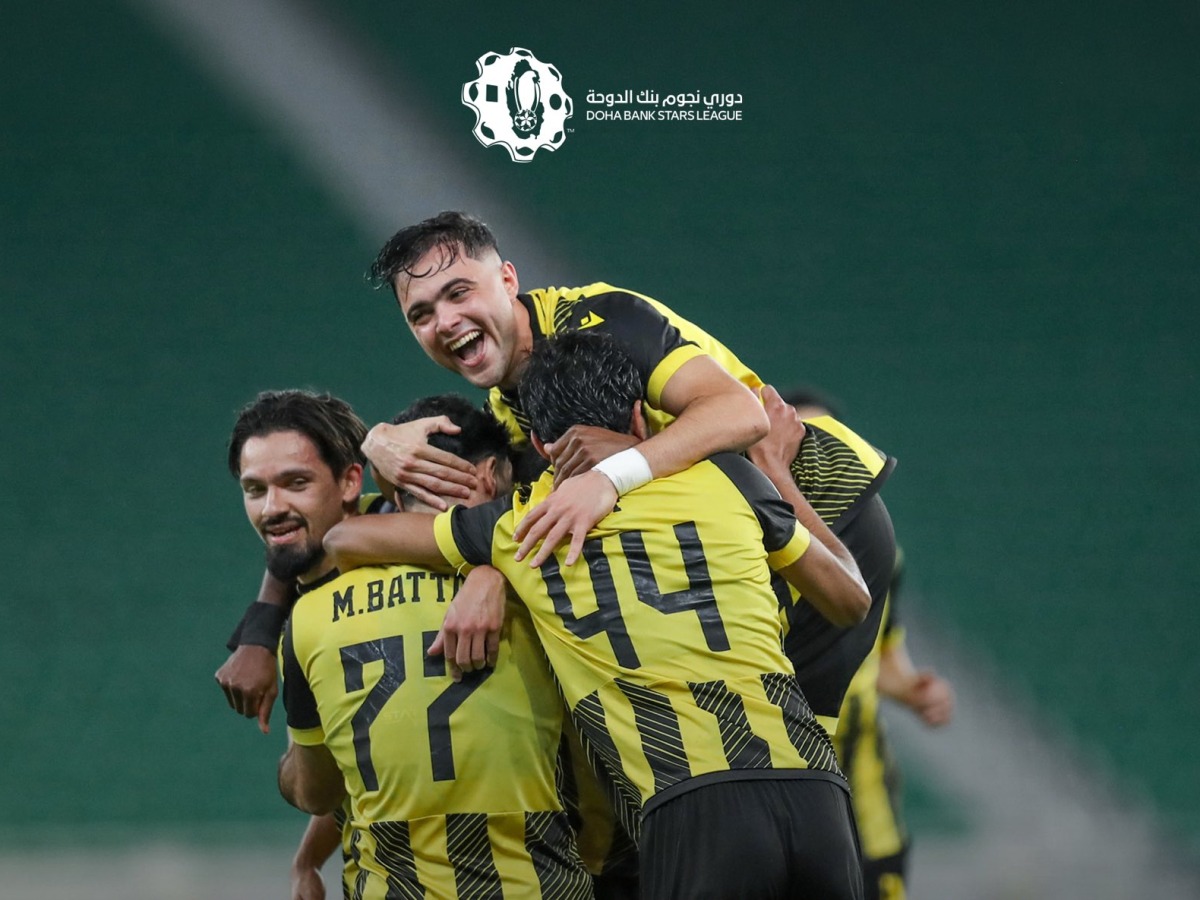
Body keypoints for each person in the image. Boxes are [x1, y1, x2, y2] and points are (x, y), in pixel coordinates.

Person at [324, 332, 871, 899]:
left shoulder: (521, 527)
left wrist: (482, 564)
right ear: (639, 417)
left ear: (539, 443)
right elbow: (851, 598)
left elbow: (344, 539)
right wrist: (775, 471)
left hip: (692, 804)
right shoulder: (729, 478)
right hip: (818, 794)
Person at [228, 389, 592, 899]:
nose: (274, 507)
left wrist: (491, 574)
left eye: (296, 483)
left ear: (359, 483)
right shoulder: (539, 569)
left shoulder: (313, 615)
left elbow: (324, 783)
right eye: (254, 489)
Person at [780, 387, 955, 900]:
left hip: (866, 805)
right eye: (801, 440)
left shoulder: (880, 555)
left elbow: (881, 654)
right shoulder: (743, 546)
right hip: (783, 790)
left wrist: (912, 690)